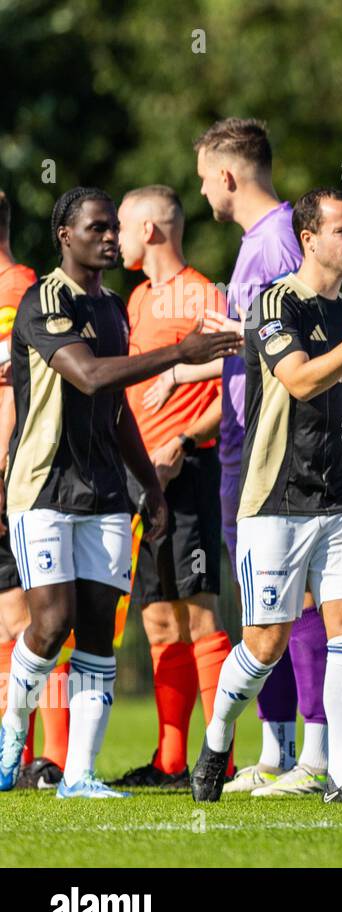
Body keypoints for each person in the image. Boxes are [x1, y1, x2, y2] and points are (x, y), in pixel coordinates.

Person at [0, 187, 240, 797]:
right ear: (66, 235)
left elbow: (116, 411)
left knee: (100, 630)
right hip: (44, 487)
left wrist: (147, 489)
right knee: (50, 624)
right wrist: (178, 354)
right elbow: (89, 376)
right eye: (97, 228)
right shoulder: (42, 300)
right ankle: (11, 733)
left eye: (114, 227)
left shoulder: (113, 308)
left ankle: (79, 773)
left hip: (106, 493)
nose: (110, 237)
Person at [190, 188, 342, 804]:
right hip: (275, 500)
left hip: (340, 501)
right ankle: (220, 735)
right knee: (264, 642)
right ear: (309, 239)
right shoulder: (274, 302)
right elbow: (301, 379)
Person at [194, 117, 329, 796]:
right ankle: (276, 750)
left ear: (226, 176)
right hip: (245, 440)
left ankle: (311, 747)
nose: (203, 194)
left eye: (202, 179)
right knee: (262, 596)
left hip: (273, 445)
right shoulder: (257, 242)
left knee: (291, 592)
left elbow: (297, 338)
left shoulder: (276, 240)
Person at [108, 185, 232, 789]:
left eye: (123, 226)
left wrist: (181, 443)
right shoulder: (136, 300)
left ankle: (222, 758)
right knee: (158, 622)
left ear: (152, 230)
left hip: (189, 474)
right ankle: (170, 761)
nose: (115, 237)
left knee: (201, 615)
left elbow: (234, 385)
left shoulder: (203, 293)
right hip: (142, 484)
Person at [0, 189, 64, 789]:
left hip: (15, 477)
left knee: (30, 617)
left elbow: (21, 393)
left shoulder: (21, 288)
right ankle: (15, 756)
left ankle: (50, 758)